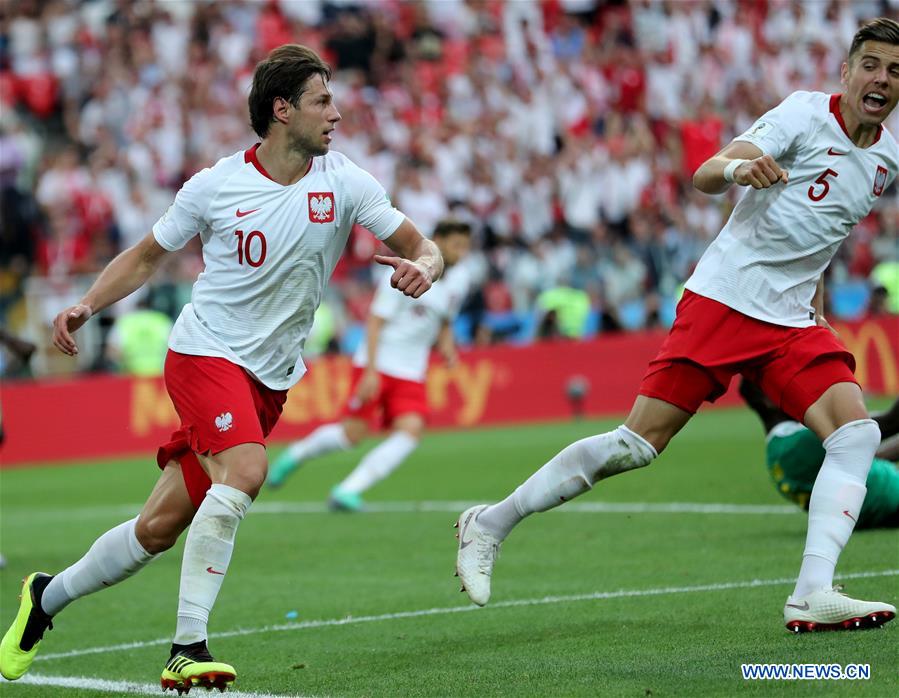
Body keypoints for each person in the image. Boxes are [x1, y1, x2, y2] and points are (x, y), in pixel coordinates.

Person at [0, 44, 443, 692]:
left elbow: (421, 245)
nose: (338, 114)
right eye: (323, 101)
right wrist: (86, 303)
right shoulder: (215, 186)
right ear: (281, 109)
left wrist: (423, 268)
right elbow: (148, 256)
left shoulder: (345, 182)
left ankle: (45, 598)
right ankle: (187, 646)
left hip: (267, 379)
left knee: (156, 529)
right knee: (248, 467)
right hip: (204, 354)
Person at [455, 18, 899, 633]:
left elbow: (821, 236)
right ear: (847, 72)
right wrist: (740, 171)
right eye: (871, 65)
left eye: (895, 71)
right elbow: (707, 172)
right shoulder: (802, 115)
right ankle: (490, 522)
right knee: (636, 446)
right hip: (725, 300)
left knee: (855, 435)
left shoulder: (885, 160)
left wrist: (815, 304)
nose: (881, 79)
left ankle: (811, 592)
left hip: (791, 319)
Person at [267, 220, 472, 510]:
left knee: (411, 431)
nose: (461, 253)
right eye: (456, 245)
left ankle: (347, 491)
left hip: (412, 370)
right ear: (436, 240)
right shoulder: (407, 269)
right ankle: (296, 454)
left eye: (465, 247)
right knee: (352, 435)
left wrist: (447, 345)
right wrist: (371, 372)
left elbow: (444, 319)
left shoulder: (461, 279)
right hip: (378, 362)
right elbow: (375, 322)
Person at [740, 379, 899, 529]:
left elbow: (860, 460)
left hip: (868, 513)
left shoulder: (778, 451)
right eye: (787, 387)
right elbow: (892, 422)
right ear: (769, 401)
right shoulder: (799, 442)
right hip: (890, 503)